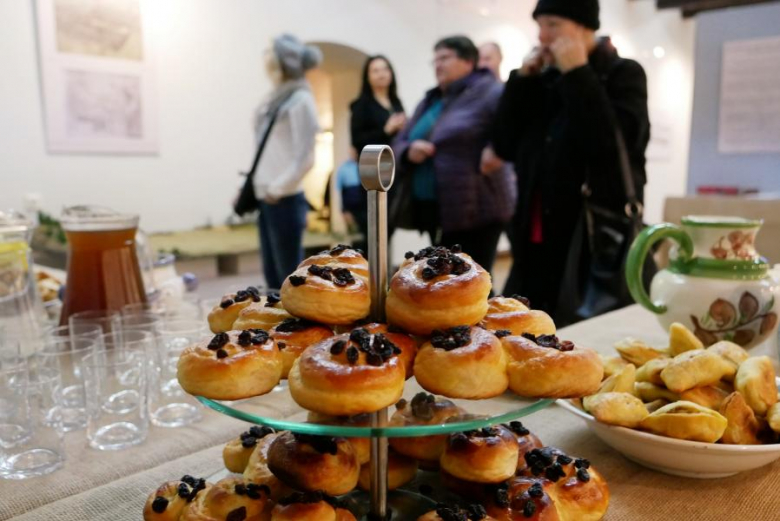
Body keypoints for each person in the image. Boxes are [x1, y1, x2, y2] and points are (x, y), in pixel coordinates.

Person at [492, 0, 651, 319]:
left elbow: (610, 146)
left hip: (590, 236)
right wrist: (520, 82)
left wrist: (578, 73)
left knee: (580, 329)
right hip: (533, 231)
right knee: (525, 326)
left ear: (584, 27)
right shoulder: (542, 79)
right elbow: (503, 146)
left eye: (553, 24)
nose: (542, 36)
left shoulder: (623, 73)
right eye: (539, 25)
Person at [392, 36, 515, 274]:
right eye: (435, 60)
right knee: (445, 281)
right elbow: (398, 142)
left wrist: (496, 150)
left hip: (477, 211)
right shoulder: (431, 100)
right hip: (435, 210)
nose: (438, 65)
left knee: (471, 282)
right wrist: (408, 151)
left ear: (468, 61)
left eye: (445, 58)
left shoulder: (490, 91)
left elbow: (513, 132)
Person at [253, 34, 322, 289]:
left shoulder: (301, 99)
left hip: (284, 198)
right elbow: (266, 150)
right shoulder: (274, 99)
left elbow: (306, 157)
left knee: (288, 281)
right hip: (267, 197)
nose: (266, 59)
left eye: (272, 54)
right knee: (272, 279)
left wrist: (277, 188)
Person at [350, 55, 406, 156]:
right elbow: (357, 141)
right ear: (367, 77)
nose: (382, 74)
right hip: (374, 162)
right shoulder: (361, 105)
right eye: (376, 71)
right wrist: (386, 130)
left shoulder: (396, 102)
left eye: (385, 69)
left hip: (397, 158)